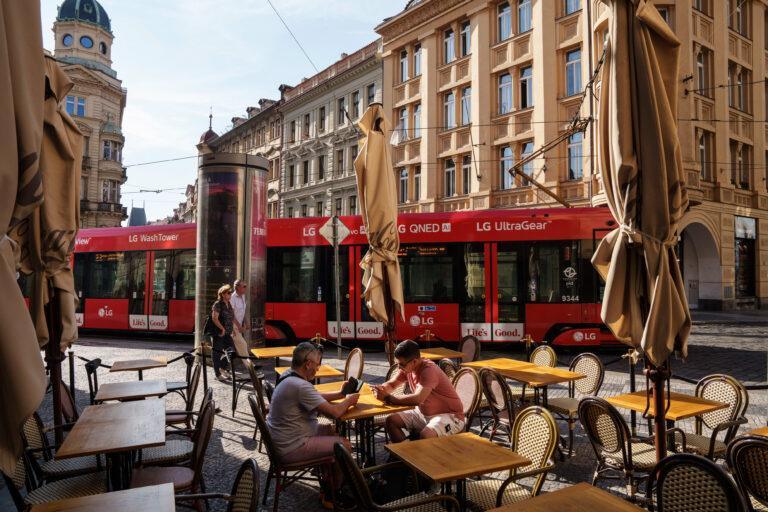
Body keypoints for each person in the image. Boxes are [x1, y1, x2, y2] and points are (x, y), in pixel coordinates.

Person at [267, 342, 359, 508]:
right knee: (343, 446)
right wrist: (348, 400)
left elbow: (314, 396)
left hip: (283, 440)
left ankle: (327, 477)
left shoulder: (289, 375)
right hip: (292, 446)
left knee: (330, 430)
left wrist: (339, 393)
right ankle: (332, 495)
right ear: (308, 364)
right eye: (317, 364)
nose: (318, 368)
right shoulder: (300, 386)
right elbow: (335, 413)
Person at [373, 339, 465, 442]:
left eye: (401, 364)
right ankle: (405, 454)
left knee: (426, 435)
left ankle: (419, 457)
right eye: (397, 363)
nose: (399, 367)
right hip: (422, 413)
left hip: (450, 416)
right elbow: (392, 384)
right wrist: (381, 389)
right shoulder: (408, 367)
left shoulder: (429, 370)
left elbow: (418, 399)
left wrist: (388, 398)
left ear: (415, 361)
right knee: (391, 420)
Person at [210, 284, 235, 381]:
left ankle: (222, 367)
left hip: (228, 333)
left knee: (232, 352)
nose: (230, 294)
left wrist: (232, 330)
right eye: (229, 293)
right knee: (217, 353)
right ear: (223, 294)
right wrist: (222, 329)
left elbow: (231, 318)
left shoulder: (229, 304)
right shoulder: (218, 304)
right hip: (219, 333)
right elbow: (214, 318)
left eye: (230, 293)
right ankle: (217, 374)